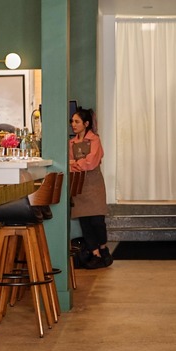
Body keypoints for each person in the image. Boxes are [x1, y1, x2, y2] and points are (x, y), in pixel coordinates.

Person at [69, 107, 112, 269]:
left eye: (77, 121)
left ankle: (103, 248)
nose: (73, 124)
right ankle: (96, 255)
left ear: (86, 124)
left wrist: (75, 164)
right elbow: (72, 163)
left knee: (97, 221)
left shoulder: (95, 140)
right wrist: (77, 164)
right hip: (78, 185)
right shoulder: (71, 143)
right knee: (85, 222)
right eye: (72, 121)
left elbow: (91, 162)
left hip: (93, 185)